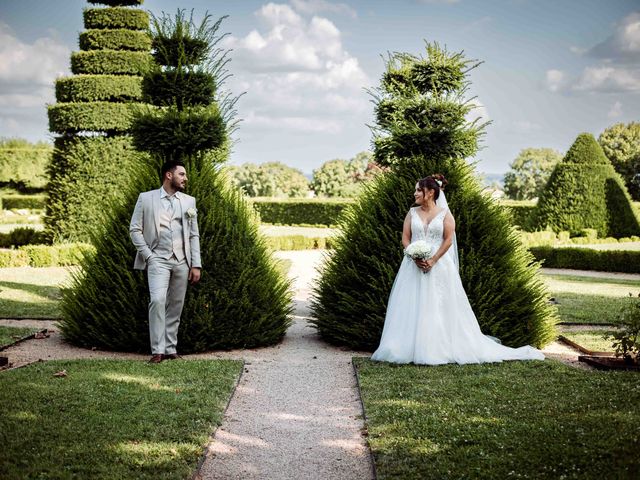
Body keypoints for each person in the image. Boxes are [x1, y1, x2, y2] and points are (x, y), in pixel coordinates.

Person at [371, 175, 544, 365]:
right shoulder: (412, 213)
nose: (415, 193)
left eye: (418, 190)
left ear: (430, 192)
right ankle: (403, 347)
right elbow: (405, 237)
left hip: (439, 266)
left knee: (439, 305)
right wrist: (414, 256)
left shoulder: (445, 214)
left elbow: (448, 240)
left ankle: (438, 347)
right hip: (413, 266)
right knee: (410, 303)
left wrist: (433, 260)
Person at [130, 160, 202, 363]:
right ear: (169, 175)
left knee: (176, 305)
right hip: (157, 260)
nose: (185, 178)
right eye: (182, 174)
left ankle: (171, 348)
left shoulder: (189, 202)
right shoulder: (146, 198)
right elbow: (135, 230)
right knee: (157, 301)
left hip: (182, 261)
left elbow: (193, 235)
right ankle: (157, 350)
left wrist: (195, 263)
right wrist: (149, 256)